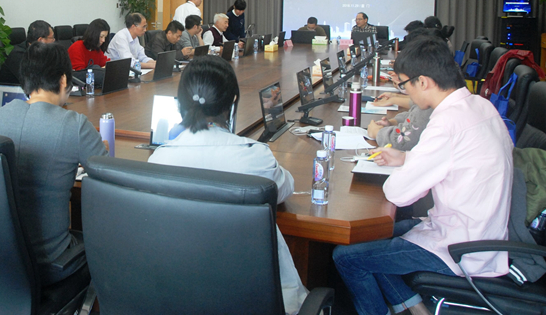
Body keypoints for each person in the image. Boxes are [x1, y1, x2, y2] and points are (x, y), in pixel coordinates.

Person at [333, 35, 513, 315]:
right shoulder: (479, 105)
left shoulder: (447, 122)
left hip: (461, 247)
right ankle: (416, 309)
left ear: (424, 82)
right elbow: (457, 161)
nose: (405, 92)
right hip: (479, 231)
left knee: (347, 257)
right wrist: (407, 158)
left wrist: (407, 167)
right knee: (368, 242)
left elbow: (398, 194)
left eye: (404, 84)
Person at [148, 56, 308, 315]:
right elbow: (285, 188)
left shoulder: (159, 159)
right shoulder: (254, 157)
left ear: (181, 102)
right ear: (232, 101)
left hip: (178, 296)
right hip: (254, 301)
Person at [0, 43, 108, 285]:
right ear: (63, 80)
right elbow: (108, 176)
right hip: (52, 261)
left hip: (1, 258)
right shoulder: (75, 124)